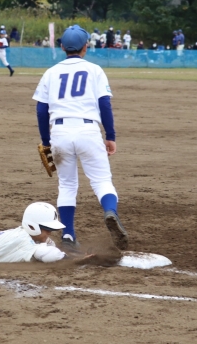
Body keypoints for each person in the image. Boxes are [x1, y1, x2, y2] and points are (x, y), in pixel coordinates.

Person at [32, 25, 128, 251]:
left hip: (60, 133)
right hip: (88, 131)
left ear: (62, 47)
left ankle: (68, 235)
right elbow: (104, 104)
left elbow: (41, 110)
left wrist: (46, 141)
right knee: (102, 181)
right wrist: (110, 136)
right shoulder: (95, 70)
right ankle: (110, 212)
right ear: (86, 47)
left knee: (67, 185)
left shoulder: (50, 72)